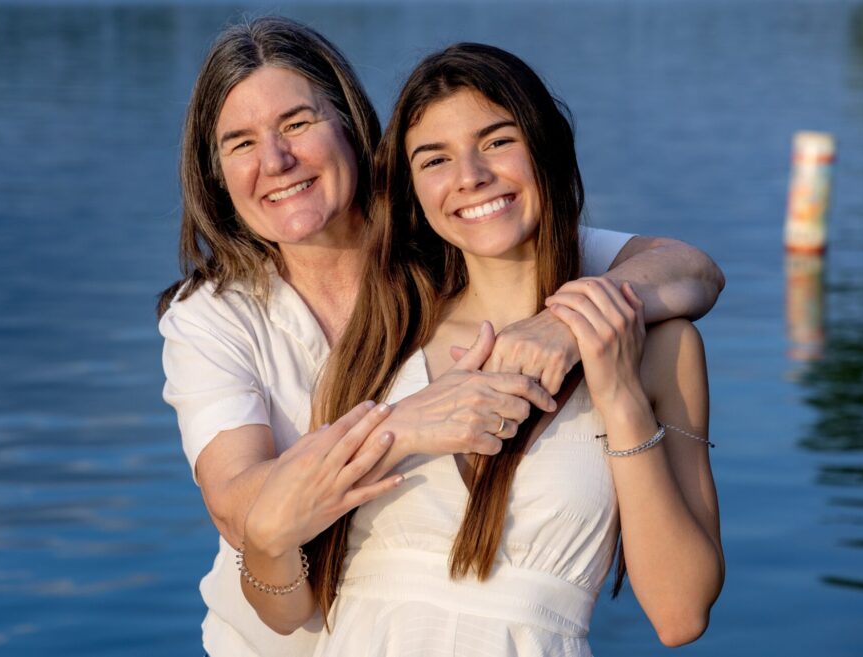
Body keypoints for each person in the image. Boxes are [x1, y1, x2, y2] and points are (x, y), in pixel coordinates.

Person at [158, 18, 725, 657]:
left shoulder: (465, 255)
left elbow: (690, 267)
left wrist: (587, 350)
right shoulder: (363, 337)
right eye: (240, 143)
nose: (471, 177)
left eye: (296, 123)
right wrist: (397, 427)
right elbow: (252, 531)